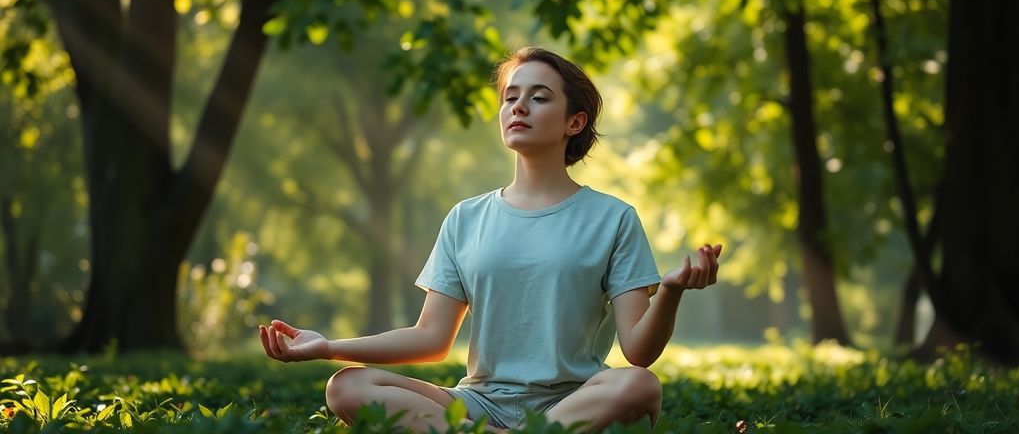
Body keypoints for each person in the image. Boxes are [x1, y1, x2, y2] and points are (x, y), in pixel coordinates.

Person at [259, 47, 722, 432]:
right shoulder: (466, 217)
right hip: (477, 405)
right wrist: (328, 346)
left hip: (575, 403)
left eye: (538, 98)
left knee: (639, 384)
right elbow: (430, 338)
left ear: (574, 123)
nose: (517, 107)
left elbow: (638, 350)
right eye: (510, 97)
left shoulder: (613, 218)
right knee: (345, 386)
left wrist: (671, 290)